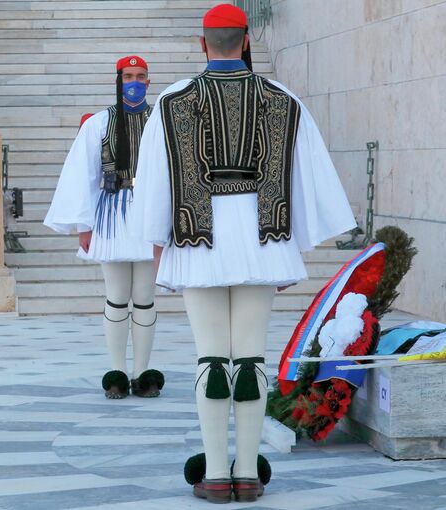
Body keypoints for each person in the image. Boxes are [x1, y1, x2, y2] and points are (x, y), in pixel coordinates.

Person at [132, 4, 356, 503]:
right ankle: (250, 475)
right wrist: (292, 243)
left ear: (202, 42)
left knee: (211, 358)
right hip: (262, 243)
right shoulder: (284, 100)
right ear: (248, 39)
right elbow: (308, 178)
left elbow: (153, 185)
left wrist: (155, 247)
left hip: (197, 244)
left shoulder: (170, 103)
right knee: (251, 358)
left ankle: (215, 474)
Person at [44, 56, 165, 400]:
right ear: (118, 79)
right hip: (111, 215)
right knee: (116, 296)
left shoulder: (161, 120)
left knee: (144, 298)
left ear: (149, 81)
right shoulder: (98, 123)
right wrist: (84, 224)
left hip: (148, 215)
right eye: (128, 76)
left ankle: (143, 374)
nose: (135, 81)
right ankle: (116, 372)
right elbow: (84, 175)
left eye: (141, 76)